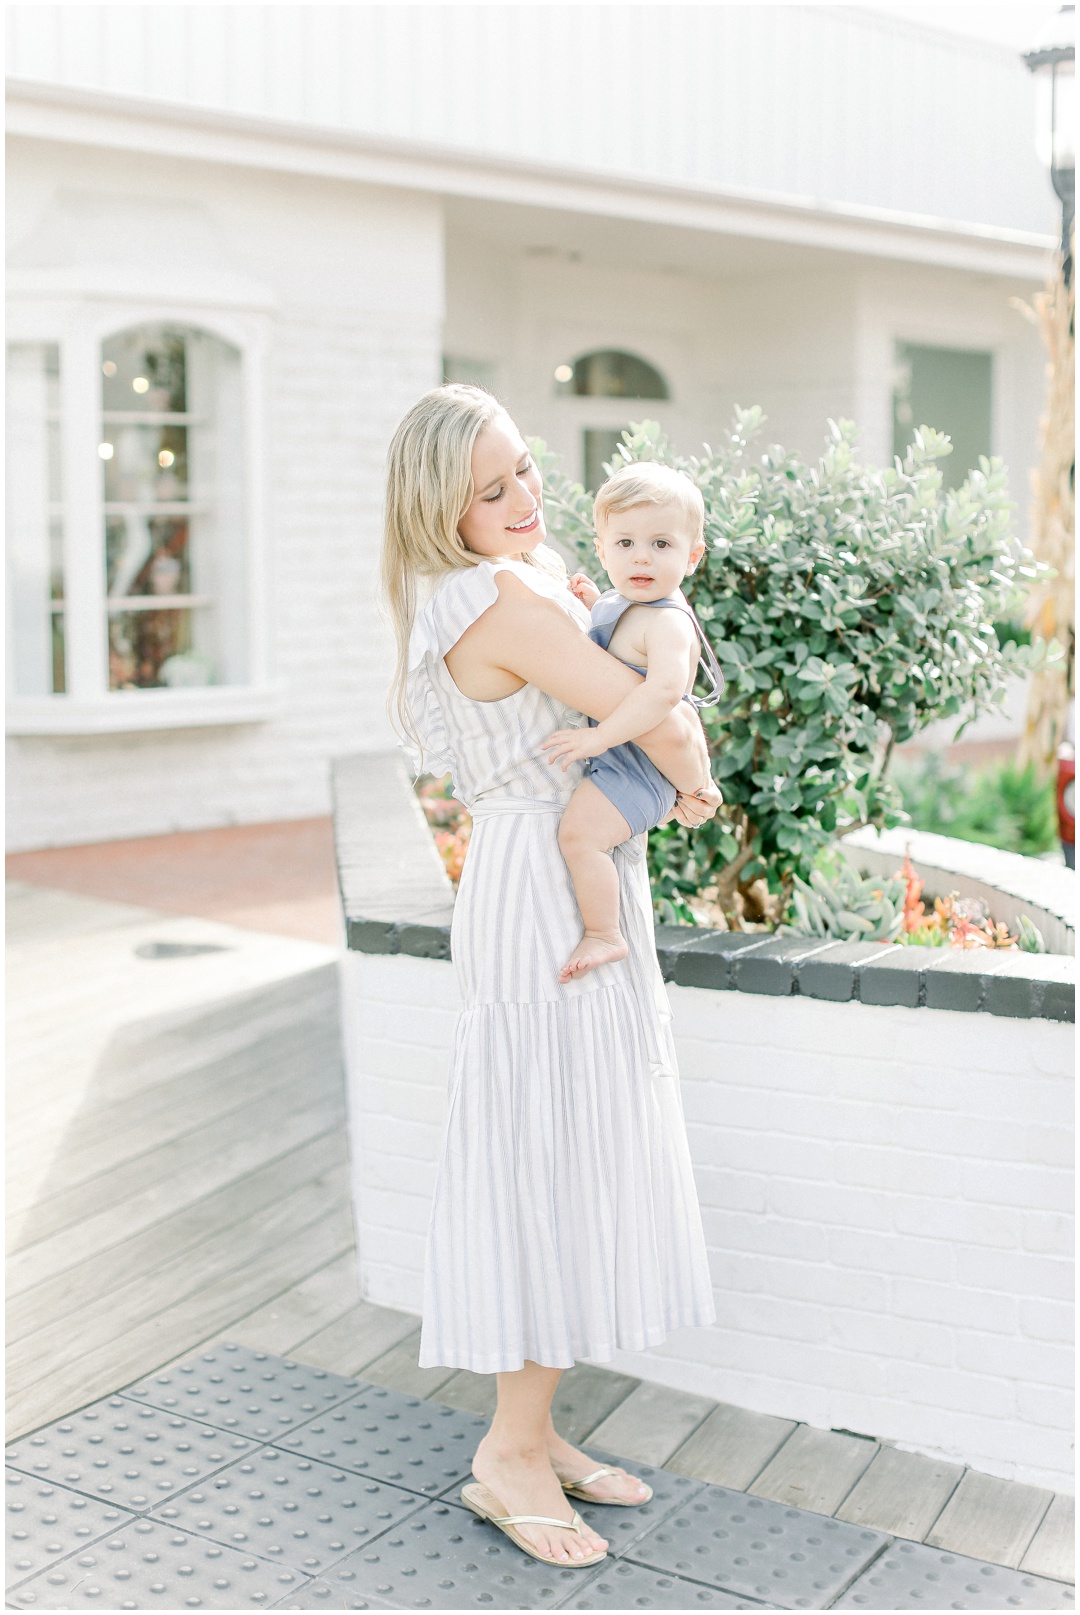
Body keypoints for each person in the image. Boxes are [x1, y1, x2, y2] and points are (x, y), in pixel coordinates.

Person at [381, 384, 719, 1570]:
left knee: (571, 1144)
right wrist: (687, 752)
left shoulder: (512, 582)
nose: (526, 497)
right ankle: (508, 1455)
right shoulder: (497, 601)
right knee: (550, 1155)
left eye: (526, 468)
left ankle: (535, 1427)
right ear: (445, 509)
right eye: (493, 489)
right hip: (538, 884)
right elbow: (665, 728)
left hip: (550, 865)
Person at [543, 461, 725, 983]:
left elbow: (665, 693)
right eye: (624, 544)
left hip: (641, 769)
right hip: (624, 757)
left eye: (661, 544)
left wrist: (599, 736)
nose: (641, 555)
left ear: (692, 557)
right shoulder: (621, 602)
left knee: (580, 837)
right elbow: (605, 646)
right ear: (602, 550)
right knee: (579, 833)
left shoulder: (669, 620)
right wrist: (586, 607)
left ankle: (605, 933)